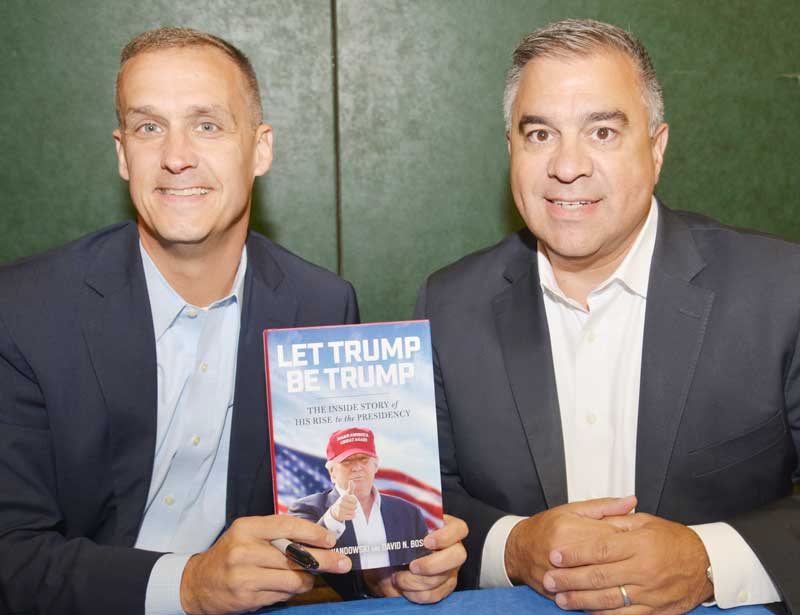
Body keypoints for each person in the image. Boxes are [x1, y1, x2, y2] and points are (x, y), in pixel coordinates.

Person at [0, 27, 465, 615]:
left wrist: (386, 571)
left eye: (207, 124)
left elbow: (317, 530)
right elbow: (10, 555)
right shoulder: (22, 311)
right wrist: (189, 585)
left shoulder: (319, 306)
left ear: (260, 148)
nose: (175, 156)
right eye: (149, 127)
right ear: (123, 155)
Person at [414, 18, 799, 614]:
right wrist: (515, 548)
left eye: (601, 131)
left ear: (657, 145)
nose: (568, 166)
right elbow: (424, 502)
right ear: (511, 150)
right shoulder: (449, 304)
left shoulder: (779, 289)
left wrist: (707, 561)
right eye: (540, 134)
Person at [289, 427, 430, 569]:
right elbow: (301, 563)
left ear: (375, 465)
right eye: (346, 461)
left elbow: (425, 562)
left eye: (363, 459)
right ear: (332, 472)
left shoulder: (409, 513)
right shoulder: (305, 508)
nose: (357, 467)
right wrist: (333, 518)